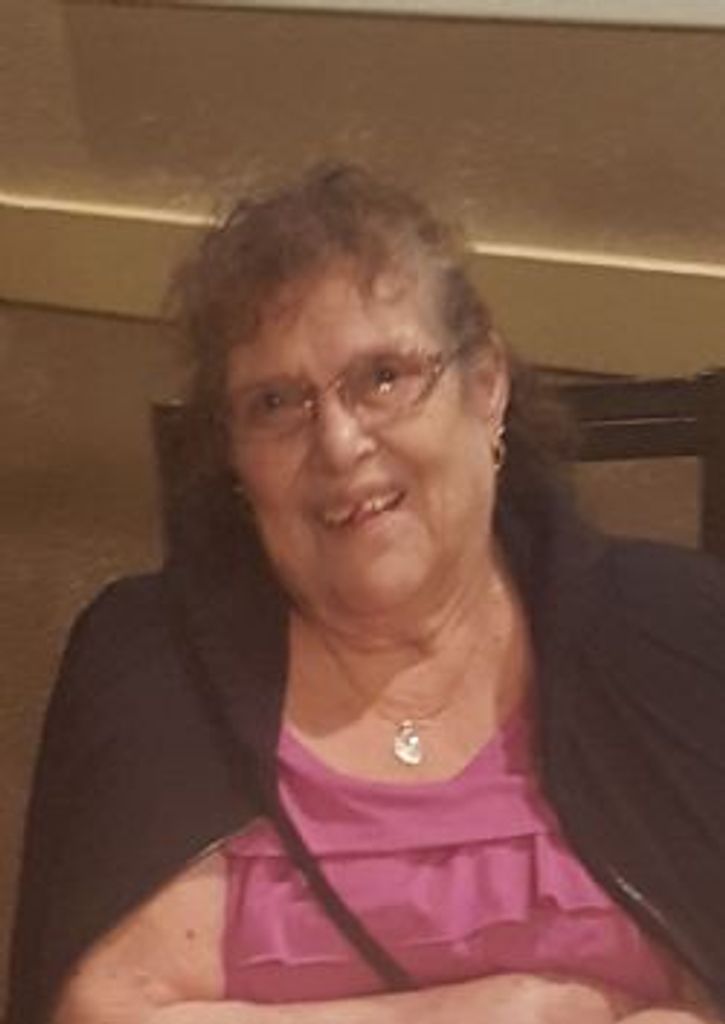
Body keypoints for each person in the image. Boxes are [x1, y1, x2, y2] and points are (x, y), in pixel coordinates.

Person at [7, 164, 725, 1024]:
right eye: (276, 403)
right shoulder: (148, 664)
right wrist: (481, 1013)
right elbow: (104, 1012)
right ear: (234, 457)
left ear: (485, 385)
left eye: (383, 376)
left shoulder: (673, 631)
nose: (340, 443)